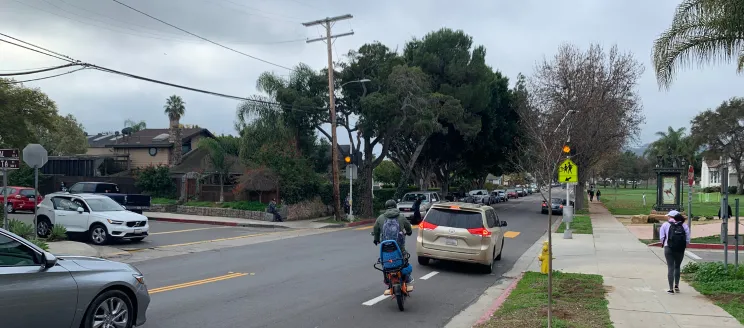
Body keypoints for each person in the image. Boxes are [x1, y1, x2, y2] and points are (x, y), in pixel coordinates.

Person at [373, 199, 414, 287]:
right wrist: (409, 232)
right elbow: (408, 228)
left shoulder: (380, 218)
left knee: (384, 263)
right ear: (395, 206)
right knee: (405, 260)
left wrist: (376, 239)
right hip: (399, 249)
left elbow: (376, 230)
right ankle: (407, 277)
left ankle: (386, 278)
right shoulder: (401, 217)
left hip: (385, 249)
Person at [659, 211, 690, 294]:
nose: (668, 217)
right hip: (680, 249)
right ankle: (677, 285)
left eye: (668, 216)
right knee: (677, 267)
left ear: (671, 217)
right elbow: (687, 239)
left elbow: (661, 238)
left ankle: (670, 289)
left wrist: (665, 243)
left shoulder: (665, 225)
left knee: (670, 267)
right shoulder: (684, 225)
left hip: (668, 247)